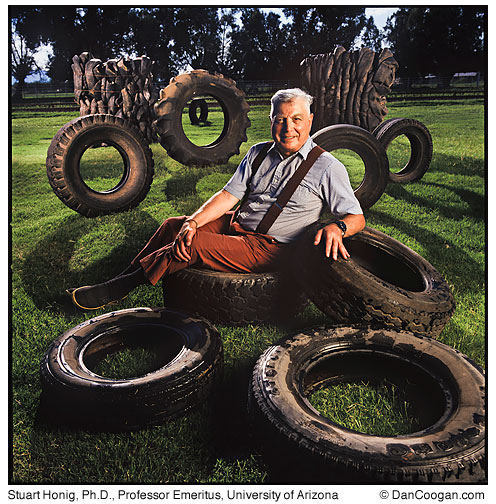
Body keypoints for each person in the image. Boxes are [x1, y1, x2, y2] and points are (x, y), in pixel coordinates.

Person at [68, 88, 365, 310]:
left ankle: (121, 286)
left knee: (194, 244)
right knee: (177, 227)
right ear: (271, 120)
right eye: (280, 119)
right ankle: (129, 272)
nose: (289, 128)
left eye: (297, 119)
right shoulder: (259, 152)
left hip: (270, 248)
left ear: (310, 120)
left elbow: (356, 217)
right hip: (236, 226)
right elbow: (228, 195)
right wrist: (194, 221)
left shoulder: (327, 167)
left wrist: (336, 228)